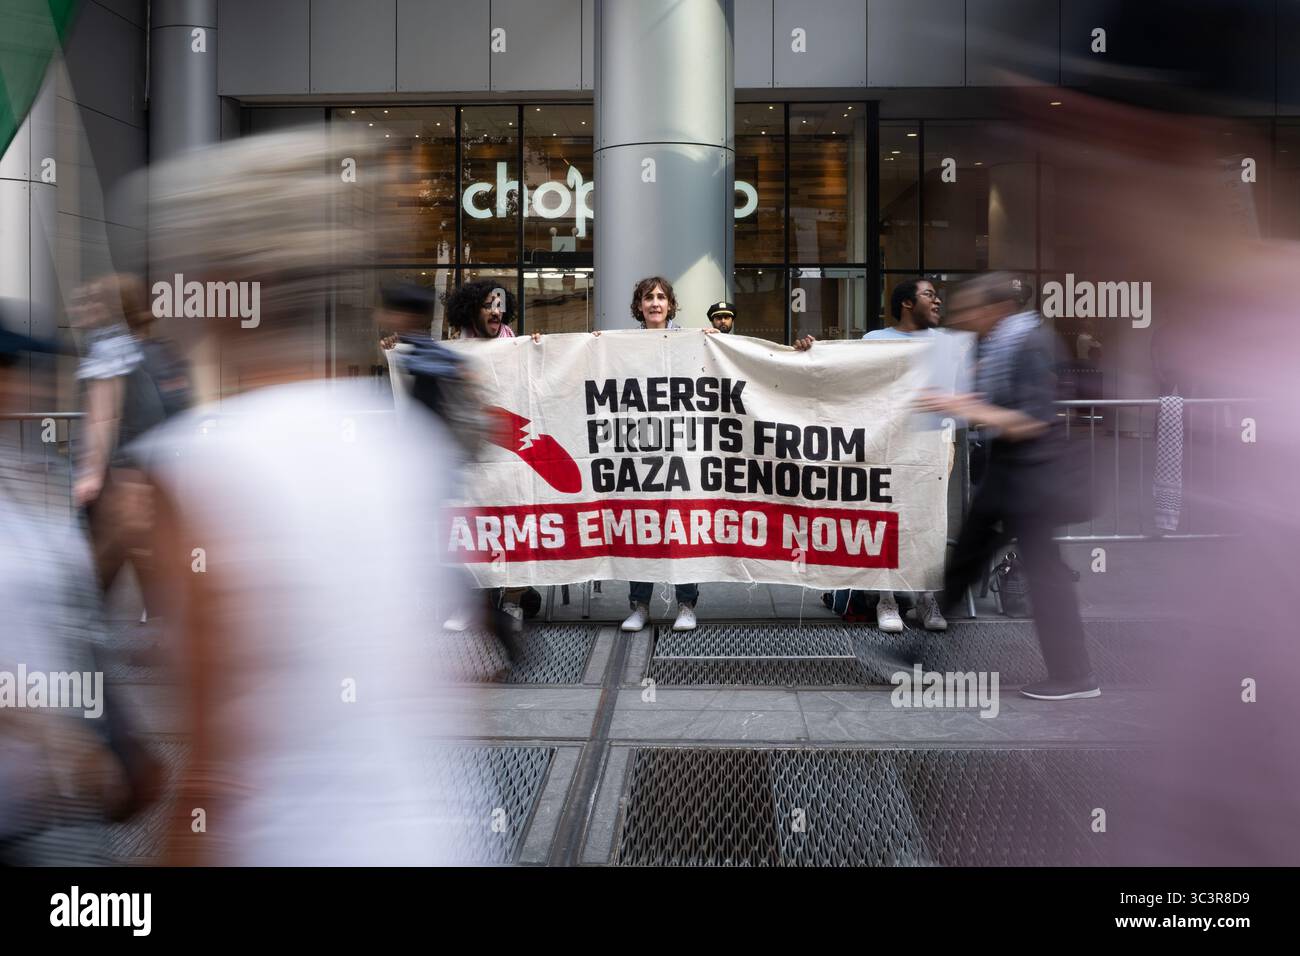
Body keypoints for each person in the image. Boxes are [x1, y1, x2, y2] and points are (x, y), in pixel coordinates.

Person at [916, 273, 1099, 700]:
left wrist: (961, 405)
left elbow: (1031, 420)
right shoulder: (1003, 342)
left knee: (1035, 573)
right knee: (972, 559)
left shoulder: (1031, 344)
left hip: (1031, 477)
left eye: (970, 309)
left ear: (994, 309)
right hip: (1014, 473)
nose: (963, 317)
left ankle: (1074, 675)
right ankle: (918, 655)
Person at [860, 278, 948, 632]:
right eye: (929, 294)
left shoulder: (945, 344)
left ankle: (926, 598)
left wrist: (951, 446)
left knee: (928, 523)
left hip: (930, 448)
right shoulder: (874, 342)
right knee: (884, 521)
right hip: (885, 446)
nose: (938, 301)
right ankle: (887, 599)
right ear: (907, 303)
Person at [621, 276, 703, 632]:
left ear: (670, 305)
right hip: (640, 450)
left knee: (682, 523)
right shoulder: (620, 346)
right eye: (648, 298)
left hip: (681, 448)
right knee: (642, 523)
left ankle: (686, 603)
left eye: (660, 297)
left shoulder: (691, 341)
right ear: (639, 306)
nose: (655, 303)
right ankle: (640, 605)